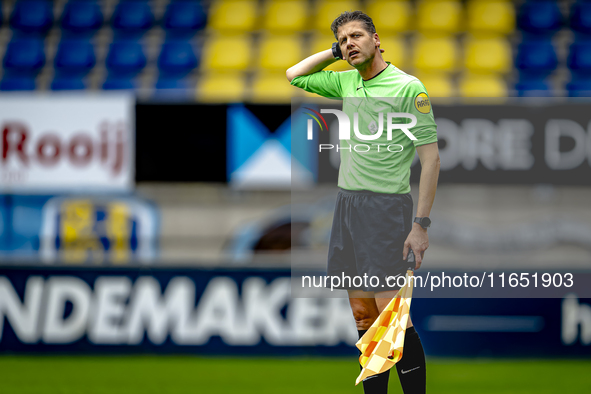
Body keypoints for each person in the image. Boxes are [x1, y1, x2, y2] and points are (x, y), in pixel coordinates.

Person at [286, 10, 440, 394]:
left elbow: (431, 159)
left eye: (356, 36)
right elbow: (294, 74)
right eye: (342, 40)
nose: (349, 43)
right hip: (347, 207)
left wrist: (420, 225)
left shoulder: (408, 88)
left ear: (377, 38)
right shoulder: (347, 82)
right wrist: (335, 53)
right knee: (362, 316)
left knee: (391, 318)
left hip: (386, 210)